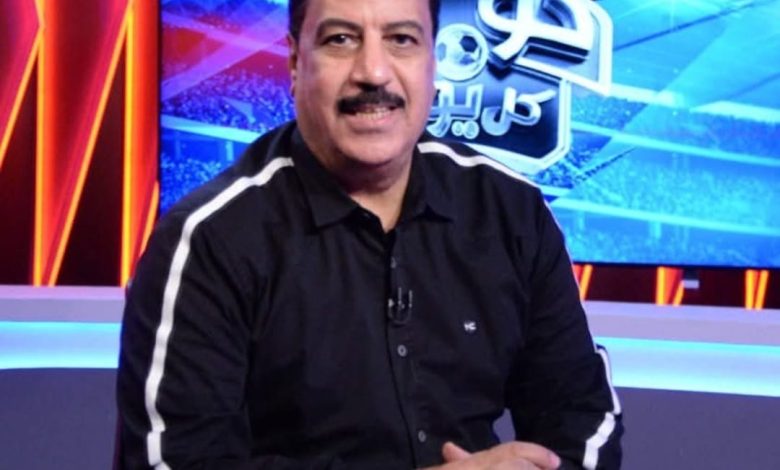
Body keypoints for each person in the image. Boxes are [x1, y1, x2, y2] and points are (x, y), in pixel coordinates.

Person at [116, 0, 623, 468]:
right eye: (340, 39)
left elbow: (583, 419)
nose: (373, 72)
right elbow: (175, 463)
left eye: (402, 39)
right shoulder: (208, 241)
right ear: (294, 63)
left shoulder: (512, 212)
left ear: (433, 63)